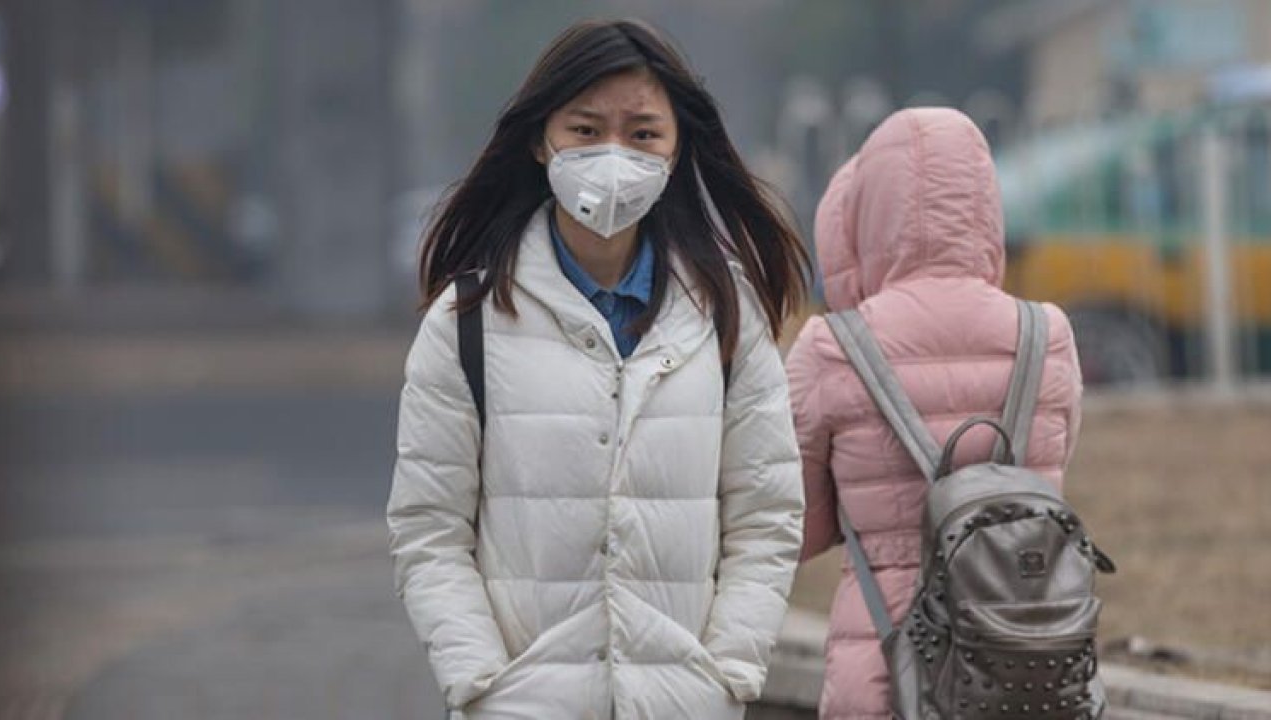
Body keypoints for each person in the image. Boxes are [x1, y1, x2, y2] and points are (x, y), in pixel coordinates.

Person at [387, 19, 811, 720]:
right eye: (586, 130)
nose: (614, 155)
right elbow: (429, 530)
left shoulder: (726, 317)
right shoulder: (469, 321)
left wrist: (728, 671)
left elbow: (766, 517)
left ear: (677, 150)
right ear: (539, 139)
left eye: (643, 133)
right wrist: (483, 680)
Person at [785, 108, 1084, 719]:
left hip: (889, 669)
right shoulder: (1046, 334)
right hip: (1026, 666)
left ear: (864, 214)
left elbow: (798, 529)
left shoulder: (831, 347)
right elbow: (1043, 482)